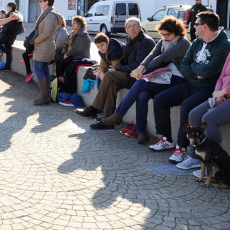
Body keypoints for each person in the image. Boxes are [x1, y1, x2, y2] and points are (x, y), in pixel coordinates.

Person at [149, 12, 230, 163]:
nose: (192, 26)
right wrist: (196, 73)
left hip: (207, 88)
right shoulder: (197, 42)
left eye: (196, 24)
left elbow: (209, 71)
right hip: (191, 83)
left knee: (187, 106)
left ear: (204, 27)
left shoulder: (224, 45)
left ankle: (181, 148)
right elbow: (184, 65)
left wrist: (197, 71)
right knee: (161, 99)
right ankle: (166, 139)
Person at [92, 17, 190, 141]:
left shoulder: (183, 43)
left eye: (167, 34)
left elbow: (163, 58)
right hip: (165, 76)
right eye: (162, 34)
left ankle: (117, 115)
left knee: (141, 83)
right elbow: (152, 55)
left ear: (176, 31)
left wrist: (141, 69)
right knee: (142, 95)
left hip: (178, 79)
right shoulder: (163, 41)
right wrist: (142, 66)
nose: (164, 37)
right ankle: (141, 132)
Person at [76, 17, 155, 122]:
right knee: (111, 83)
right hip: (129, 74)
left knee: (109, 76)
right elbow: (119, 62)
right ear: (126, 30)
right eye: (129, 27)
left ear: (140, 27)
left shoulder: (146, 42)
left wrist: (116, 69)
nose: (132, 29)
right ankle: (107, 119)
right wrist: (104, 71)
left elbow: (137, 65)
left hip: (141, 78)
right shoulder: (130, 40)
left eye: (135, 26)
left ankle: (94, 108)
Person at [179, 51, 230, 173]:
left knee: (209, 118)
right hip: (222, 94)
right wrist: (218, 93)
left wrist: (223, 92)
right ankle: (195, 157)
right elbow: (222, 76)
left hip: (226, 94)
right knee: (194, 114)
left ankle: (214, 163)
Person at [31, 0, 63, 105]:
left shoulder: (50, 15)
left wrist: (35, 41)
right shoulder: (48, 14)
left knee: (38, 70)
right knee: (44, 70)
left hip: (44, 46)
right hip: (43, 46)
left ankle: (44, 97)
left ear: (46, 2)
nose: (39, 3)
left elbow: (47, 33)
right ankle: (45, 97)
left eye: (41, 1)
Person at [55, 15, 91, 81]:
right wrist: (64, 53)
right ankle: (59, 79)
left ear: (79, 25)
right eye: (72, 22)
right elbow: (67, 44)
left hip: (80, 56)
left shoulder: (82, 35)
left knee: (63, 63)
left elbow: (77, 48)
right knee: (59, 59)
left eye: (74, 23)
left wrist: (67, 54)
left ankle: (62, 80)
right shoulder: (73, 33)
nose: (72, 24)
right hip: (72, 55)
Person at [0, 2, 23, 71]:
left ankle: (7, 65)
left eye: (7, 6)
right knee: (8, 50)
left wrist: (2, 30)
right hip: (11, 35)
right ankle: (7, 66)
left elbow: (9, 26)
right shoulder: (16, 13)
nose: (7, 8)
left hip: (8, 35)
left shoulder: (12, 14)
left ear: (10, 7)